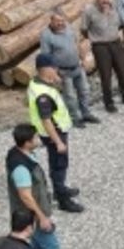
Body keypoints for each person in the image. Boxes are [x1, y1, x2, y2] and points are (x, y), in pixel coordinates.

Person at [6, 124, 86, 249]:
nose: (38, 139)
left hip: (30, 215)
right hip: (33, 215)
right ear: (27, 142)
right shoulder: (21, 166)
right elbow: (25, 196)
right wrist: (41, 217)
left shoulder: (17, 153)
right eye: (35, 137)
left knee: (37, 247)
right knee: (51, 246)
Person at [27, 54, 83, 213]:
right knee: (59, 165)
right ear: (46, 69)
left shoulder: (38, 82)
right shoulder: (42, 95)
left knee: (58, 164)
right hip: (54, 134)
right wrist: (58, 141)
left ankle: (61, 189)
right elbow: (46, 120)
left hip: (55, 132)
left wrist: (54, 80)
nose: (57, 70)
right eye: (54, 67)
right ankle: (64, 200)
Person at [39, 11, 99, 127]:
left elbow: (77, 44)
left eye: (63, 21)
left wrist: (83, 59)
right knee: (70, 96)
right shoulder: (46, 35)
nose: (61, 23)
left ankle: (86, 113)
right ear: (51, 21)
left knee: (84, 91)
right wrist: (53, 72)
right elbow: (46, 55)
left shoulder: (69, 29)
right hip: (63, 70)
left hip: (77, 66)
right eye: (58, 21)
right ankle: (75, 117)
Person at [82, 0, 124, 112]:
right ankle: (109, 102)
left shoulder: (114, 6)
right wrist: (94, 38)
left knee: (122, 70)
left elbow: (121, 22)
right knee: (106, 75)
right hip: (100, 46)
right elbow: (84, 29)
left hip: (115, 42)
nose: (105, 0)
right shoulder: (89, 10)